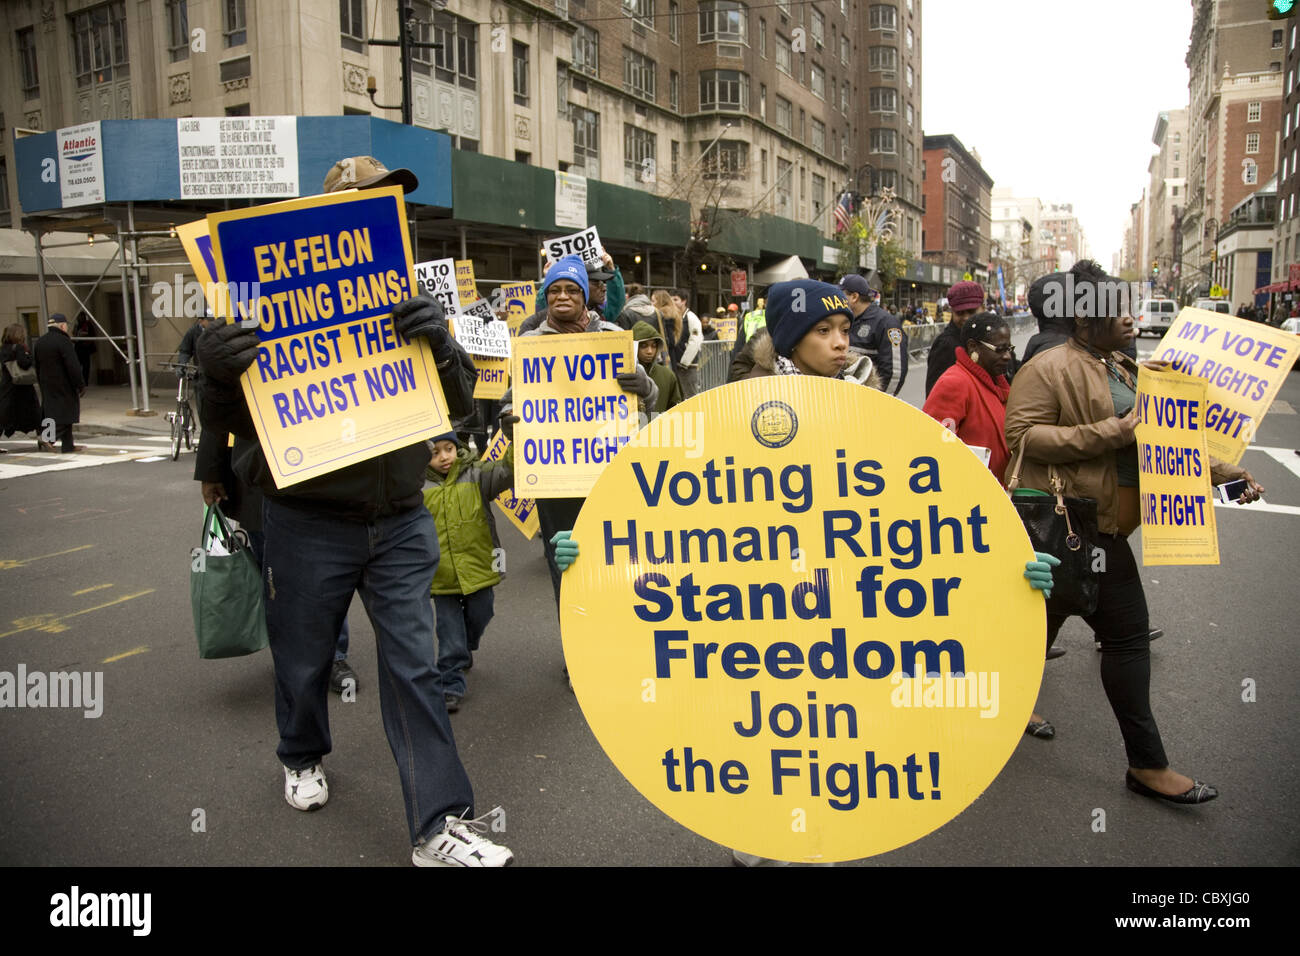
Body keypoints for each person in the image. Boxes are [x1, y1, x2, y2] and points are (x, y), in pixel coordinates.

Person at [550, 278, 1059, 864]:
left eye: (845, 330)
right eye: (824, 331)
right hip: (760, 613)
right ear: (791, 341)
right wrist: (597, 546)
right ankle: (760, 834)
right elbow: (679, 507)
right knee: (766, 734)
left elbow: (923, 517)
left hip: (842, 610)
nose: (841, 342)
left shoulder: (877, 413)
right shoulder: (737, 414)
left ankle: (820, 831)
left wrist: (1002, 560)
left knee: (832, 739)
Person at [197, 154, 512, 866]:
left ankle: (438, 825)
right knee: (305, 660)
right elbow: (234, 421)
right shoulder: (258, 301)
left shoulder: (409, 298)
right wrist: (215, 375)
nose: (390, 212)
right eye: (371, 202)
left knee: (414, 666)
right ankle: (301, 752)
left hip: (401, 517)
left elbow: (461, 408)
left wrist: (443, 344)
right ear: (330, 214)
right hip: (308, 521)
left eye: (393, 203)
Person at [1004, 267, 1263, 804]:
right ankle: (1143, 764)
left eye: (1131, 306)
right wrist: (1113, 432)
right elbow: (1022, 438)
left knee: (1066, 628)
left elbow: (1169, 437)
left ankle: (1027, 707)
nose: (1131, 316)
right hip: (1072, 530)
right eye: (1118, 308)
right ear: (1083, 315)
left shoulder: (1124, 366)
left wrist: (1225, 473)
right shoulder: (1046, 368)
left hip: (1110, 529)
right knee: (1104, 637)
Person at [503, 255, 657, 642]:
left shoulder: (611, 335)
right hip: (557, 482)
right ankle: (578, 648)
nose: (562, 296)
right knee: (566, 566)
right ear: (545, 297)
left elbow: (650, 397)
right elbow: (511, 401)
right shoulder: (530, 343)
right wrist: (508, 420)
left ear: (586, 296)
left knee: (612, 560)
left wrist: (643, 385)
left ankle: (615, 640)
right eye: (554, 290)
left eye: (572, 289)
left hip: (607, 475)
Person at [422, 430, 514, 713]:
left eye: (448, 448)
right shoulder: (418, 487)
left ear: (458, 448)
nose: (443, 457)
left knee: (482, 612)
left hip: (478, 567)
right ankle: (450, 683)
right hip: (441, 575)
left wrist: (515, 437)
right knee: (448, 631)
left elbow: (508, 470)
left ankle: (466, 644)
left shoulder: (476, 475)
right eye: (435, 452)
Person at [838, 274, 907, 395]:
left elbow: (895, 371)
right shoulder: (845, 320)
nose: (837, 299)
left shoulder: (886, 323)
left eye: (841, 294)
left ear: (854, 297)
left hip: (870, 401)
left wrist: (882, 402)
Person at [33, 314, 85, 454]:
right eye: (66, 325)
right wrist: (80, 384)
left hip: (47, 384)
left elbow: (36, 365)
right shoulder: (63, 341)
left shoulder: (40, 342)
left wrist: (41, 381)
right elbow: (73, 365)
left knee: (51, 413)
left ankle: (68, 445)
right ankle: (47, 438)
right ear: (62, 326)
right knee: (66, 414)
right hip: (64, 384)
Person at [925, 280, 984, 396]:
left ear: (983, 308)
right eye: (960, 313)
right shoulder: (945, 345)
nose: (966, 318)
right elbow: (935, 394)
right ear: (952, 312)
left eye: (972, 312)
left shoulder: (990, 337)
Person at [1, 324, 51, 452]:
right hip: (23, 388)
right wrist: (29, 356)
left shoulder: (3, 348)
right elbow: (24, 363)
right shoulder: (19, 348)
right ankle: (44, 438)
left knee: (5, 415)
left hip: (8, 387)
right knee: (36, 413)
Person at [633, 320, 684, 412]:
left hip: (660, 425)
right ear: (633, 346)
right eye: (643, 346)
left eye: (654, 346)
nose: (650, 351)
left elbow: (677, 408)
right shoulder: (624, 374)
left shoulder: (667, 375)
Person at [670, 289, 704, 399]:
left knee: (690, 396)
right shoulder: (673, 317)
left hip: (688, 366)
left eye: (676, 299)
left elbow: (695, 341)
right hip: (675, 364)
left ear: (684, 301)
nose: (673, 302)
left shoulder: (691, 318)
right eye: (671, 299)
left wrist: (685, 362)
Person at [73, 312, 96, 386]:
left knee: (86, 366)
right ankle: (79, 381)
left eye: (81, 317)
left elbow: (92, 335)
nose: (80, 318)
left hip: (85, 348)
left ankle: (85, 381)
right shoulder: (77, 325)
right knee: (77, 365)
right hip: (78, 347)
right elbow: (74, 334)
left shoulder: (88, 324)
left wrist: (88, 343)